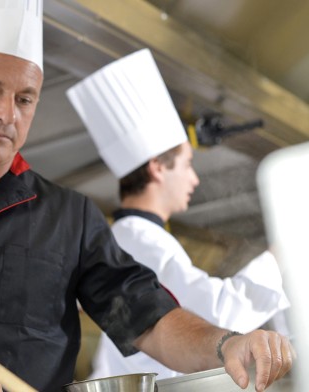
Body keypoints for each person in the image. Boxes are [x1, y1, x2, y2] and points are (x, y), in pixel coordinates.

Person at [0, 1, 294, 391]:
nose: (6, 113)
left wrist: (226, 343)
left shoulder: (70, 217)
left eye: (25, 98)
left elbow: (148, 318)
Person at [66, 48, 291, 380]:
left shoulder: (137, 237)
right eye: (186, 164)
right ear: (157, 168)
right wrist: (282, 255)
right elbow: (217, 315)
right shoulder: (138, 241)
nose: (194, 179)